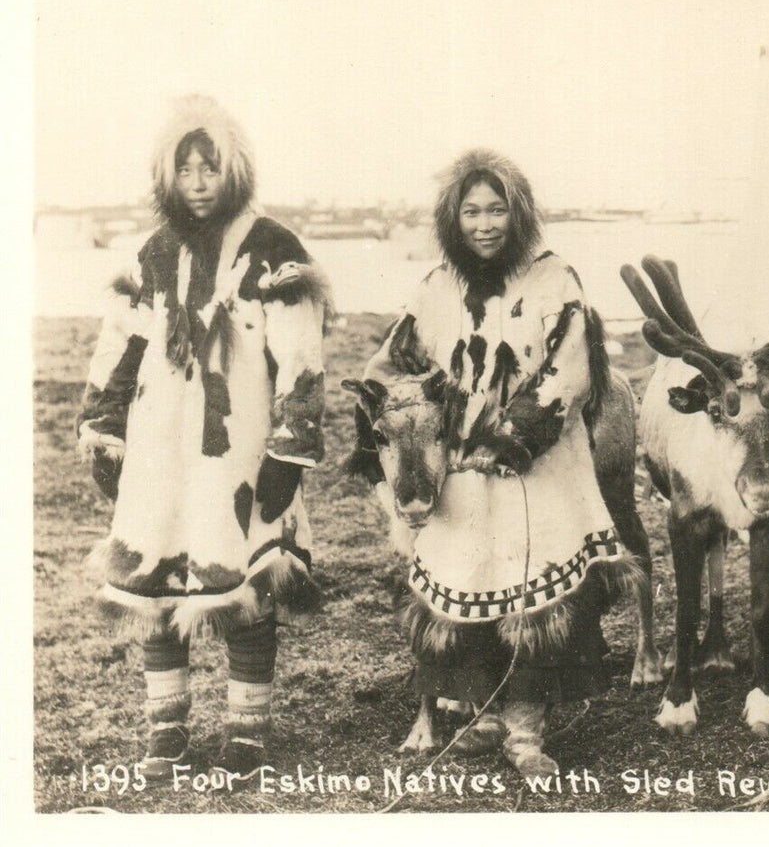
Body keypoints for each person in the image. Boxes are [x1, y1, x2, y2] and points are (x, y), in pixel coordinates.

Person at [353, 148, 638, 776]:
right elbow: (388, 366)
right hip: (461, 473)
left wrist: (511, 436)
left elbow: (572, 369)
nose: (484, 224)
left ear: (519, 212)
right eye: (470, 211)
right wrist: (409, 415)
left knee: (532, 594)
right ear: (452, 219)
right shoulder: (436, 287)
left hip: (535, 468)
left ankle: (526, 732)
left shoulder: (553, 278)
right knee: (469, 583)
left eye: (496, 209)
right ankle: (482, 713)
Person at [78, 95, 330, 782]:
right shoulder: (155, 250)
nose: (196, 181)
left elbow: (302, 358)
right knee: (155, 580)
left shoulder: (271, 248)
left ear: (233, 170)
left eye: (209, 167)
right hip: (160, 446)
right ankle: (168, 730)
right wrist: (103, 425)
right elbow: (121, 344)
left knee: (242, 581)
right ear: (167, 173)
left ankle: (246, 733)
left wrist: (288, 449)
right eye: (184, 168)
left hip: (238, 451)